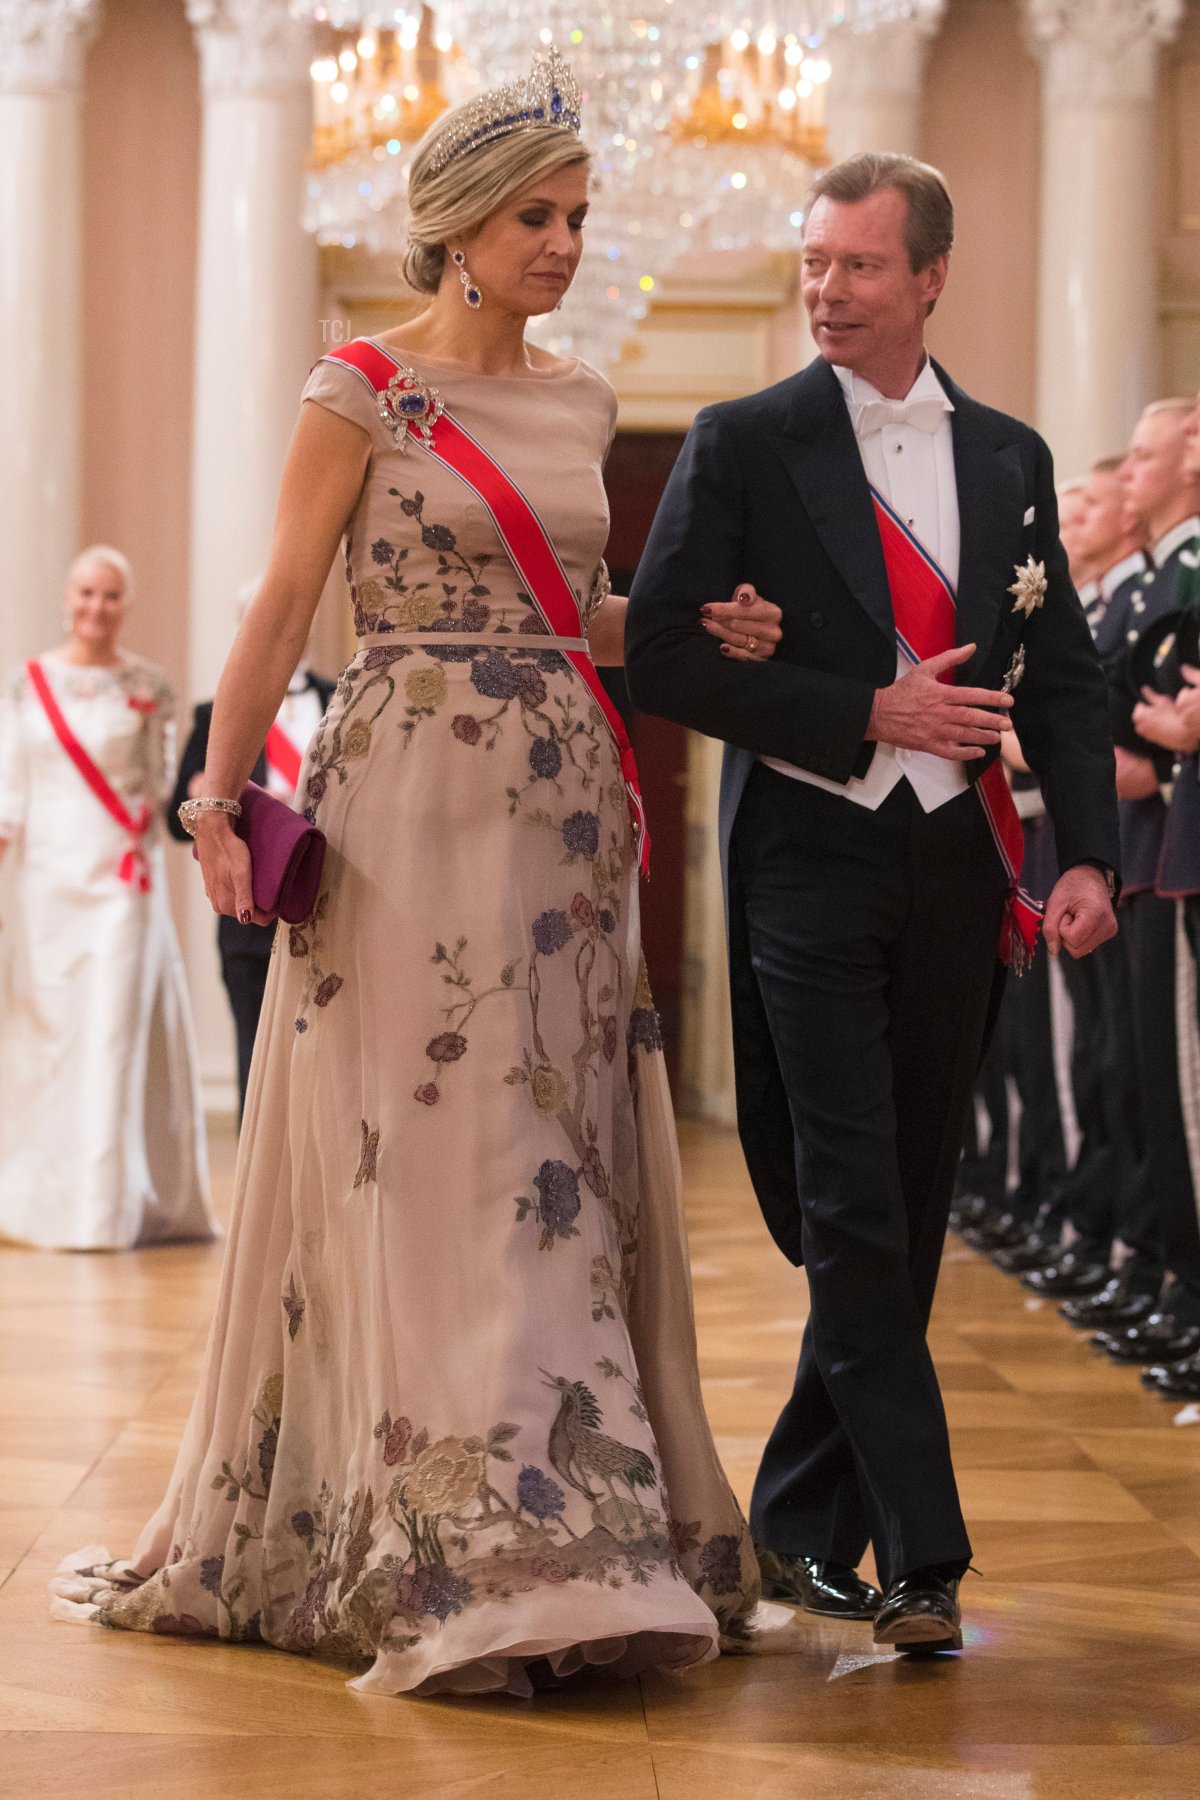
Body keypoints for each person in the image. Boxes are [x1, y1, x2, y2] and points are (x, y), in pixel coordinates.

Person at [50, 52, 797, 1696]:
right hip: (404, 810)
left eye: (580, 216)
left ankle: (585, 1528)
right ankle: (453, 1542)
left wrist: (688, 630)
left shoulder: (589, 399)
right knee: (428, 1168)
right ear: (460, 223)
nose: (565, 243)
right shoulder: (359, 391)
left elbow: (573, 620)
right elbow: (276, 603)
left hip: (564, 818)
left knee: (556, 1161)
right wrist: (218, 791)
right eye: (539, 215)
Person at [625, 152, 1119, 1654]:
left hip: (957, 864)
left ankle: (793, 1516)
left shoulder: (1014, 460)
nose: (823, 289)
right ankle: (923, 1553)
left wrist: (1083, 853)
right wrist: (864, 713)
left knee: (903, 1206)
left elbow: (1068, 676)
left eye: (855, 266)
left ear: (929, 279)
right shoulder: (745, 439)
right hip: (809, 859)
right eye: (812, 262)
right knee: (846, 1195)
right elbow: (664, 657)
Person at [0, 547, 213, 1250]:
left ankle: (100, 1211)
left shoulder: (150, 685)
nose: (97, 606)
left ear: (127, 603)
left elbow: (160, 789)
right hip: (43, 883)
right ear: (68, 598)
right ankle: (38, 1203)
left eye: (112, 595)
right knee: (48, 1031)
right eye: (87, 592)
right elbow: (10, 792)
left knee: (110, 1030)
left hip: (123, 877)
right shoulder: (26, 684)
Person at [168, 586, 335, 1122]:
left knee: (331, 1064)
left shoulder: (344, 699)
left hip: (332, 896)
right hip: (250, 911)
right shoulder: (214, 714)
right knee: (254, 1059)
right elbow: (178, 816)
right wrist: (201, 800)